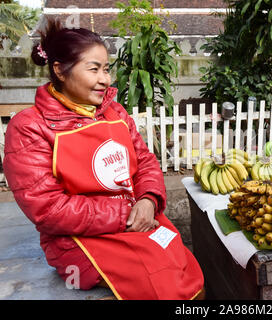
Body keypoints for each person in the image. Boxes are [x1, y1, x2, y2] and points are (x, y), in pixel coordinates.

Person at [3, 18, 204, 300]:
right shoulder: (30, 127)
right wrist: (126, 215)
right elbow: (48, 209)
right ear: (60, 70)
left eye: (106, 69)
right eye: (94, 69)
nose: (105, 79)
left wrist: (148, 199)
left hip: (136, 218)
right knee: (161, 282)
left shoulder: (115, 112)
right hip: (77, 239)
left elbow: (144, 161)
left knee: (183, 263)